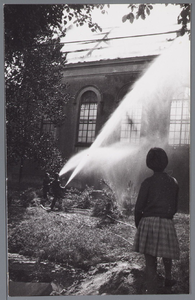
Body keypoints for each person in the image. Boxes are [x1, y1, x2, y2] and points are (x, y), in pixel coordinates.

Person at [132, 147, 180, 294]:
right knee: (167, 254)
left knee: (150, 257)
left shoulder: (147, 182)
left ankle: (151, 283)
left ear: (149, 163)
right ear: (165, 162)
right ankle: (168, 277)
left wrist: (138, 224)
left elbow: (138, 207)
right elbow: (175, 206)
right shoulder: (173, 182)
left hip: (147, 221)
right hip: (166, 221)